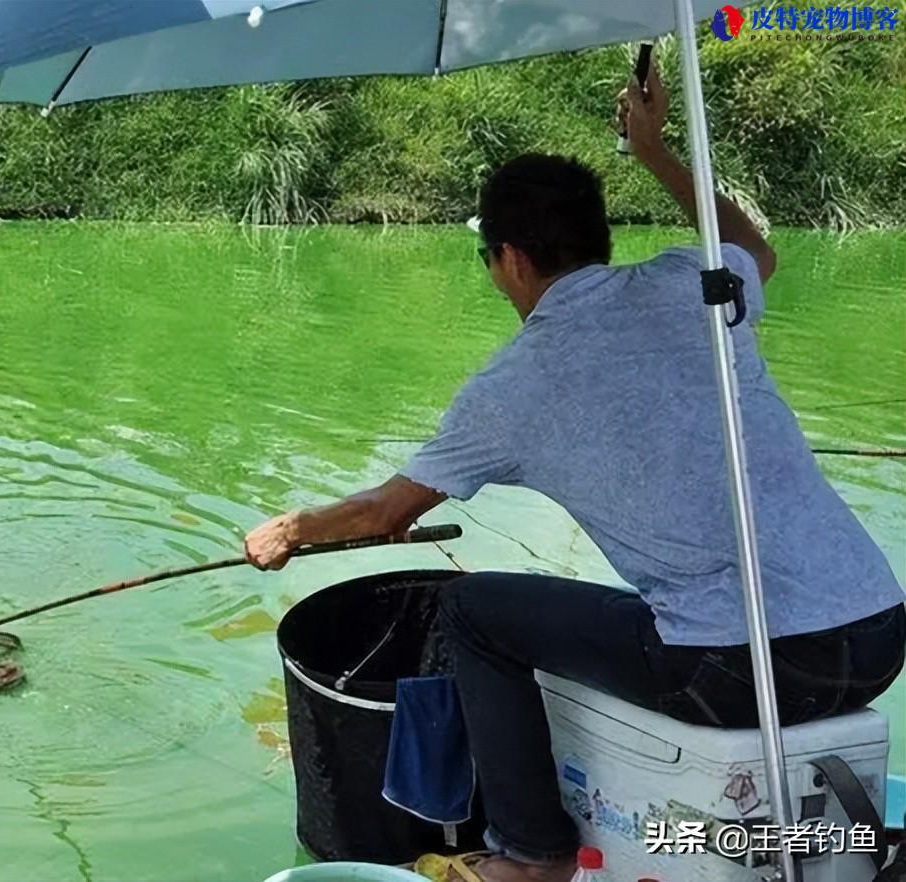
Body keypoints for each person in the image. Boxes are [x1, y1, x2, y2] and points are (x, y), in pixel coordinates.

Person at [243, 68, 906, 882]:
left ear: (512, 259)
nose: (493, 276)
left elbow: (386, 512)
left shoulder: (510, 387)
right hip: (876, 633)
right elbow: (758, 250)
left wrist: (291, 530)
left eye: (487, 259)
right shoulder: (688, 287)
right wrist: (655, 152)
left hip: (739, 674)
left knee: (476, 609)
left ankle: (532, 858)